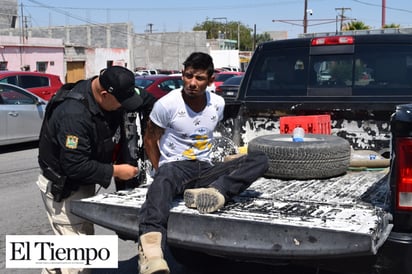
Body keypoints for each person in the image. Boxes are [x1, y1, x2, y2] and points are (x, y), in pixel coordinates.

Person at [138, 52, 269, 274]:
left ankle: (216, 192)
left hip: (206, 169)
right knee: (161, 183)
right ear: (182, 75)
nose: (192, 83)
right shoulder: (167, 104)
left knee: (260, 159)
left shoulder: (217, 103)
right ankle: (151, 254)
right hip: (176, 167)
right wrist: (161, 170)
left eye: (199, 78)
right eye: (188, 76)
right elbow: (150, 140)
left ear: (210, 81)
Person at [36, 66, 149, 274]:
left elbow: (144, 98)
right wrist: (116, 171)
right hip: (65, 188)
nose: (122, 108)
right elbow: (74, 165)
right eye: (120, 103)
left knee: (69, 244)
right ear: (105, 94)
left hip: (80, 185)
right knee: (79, 257)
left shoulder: (101, 93)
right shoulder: (74, 115)